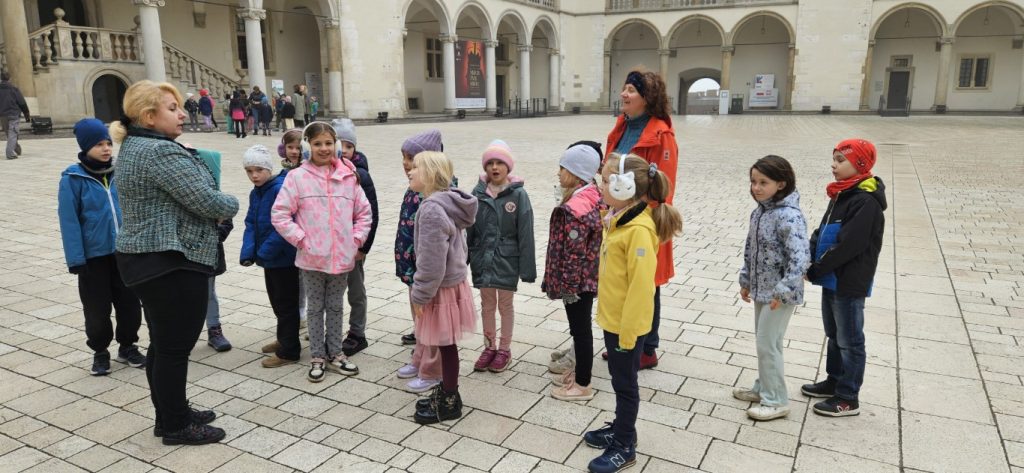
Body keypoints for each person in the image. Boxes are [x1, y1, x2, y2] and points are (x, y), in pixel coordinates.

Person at [112, 80, 238, 445]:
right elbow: (208, 201)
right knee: (173, 348)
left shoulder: (138, 145)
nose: (183, 113)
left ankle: (169, 412)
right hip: (170, 260)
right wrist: (231, 202)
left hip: (148, 260)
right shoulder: (160, 153)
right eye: (173, 108)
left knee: (163, 344)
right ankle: (175, 425)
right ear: (149, 117)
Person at [582, 153, 681, 473]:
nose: (601, 185)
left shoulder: (638, 230)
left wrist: (627, 332)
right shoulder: (619, 218)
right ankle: (621, 427)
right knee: (618, 380)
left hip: (627, 326)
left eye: (607, 180)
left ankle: (625, 444)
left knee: (625, 385)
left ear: (625, 186)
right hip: (614, 319)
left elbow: (642, 289)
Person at [271, 122, 372, 382]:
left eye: (328, 143)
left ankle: (336, 352)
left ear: (336, 146)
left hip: (341, 258)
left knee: (336, 306)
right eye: (317, 144)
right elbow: (280, 214)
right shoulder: (297, 178)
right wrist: (302, 240)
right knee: (315, 308)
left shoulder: (349, 177)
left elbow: (364, 213)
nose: (323, 148)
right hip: (312, 258)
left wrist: (355, 240)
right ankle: (317, 354)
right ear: (308, 147)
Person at [601, 69, 679, 370]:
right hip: (616, 214)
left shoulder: (662, 133)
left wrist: (637, 216)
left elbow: (663, 185)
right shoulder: (621, 126)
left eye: (631, 90)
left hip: (641, 219)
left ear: (647, 98)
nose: (624, 94)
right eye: (624, 88)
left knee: (646, 282)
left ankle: (647, 346)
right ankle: (625, 338)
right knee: (620, 279)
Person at [803, 139, 887, 417]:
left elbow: (850, 244)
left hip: (848, 280)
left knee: (850, 338)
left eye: (841, 160)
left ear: (860, 163)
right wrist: (810, 255)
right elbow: (824, 228)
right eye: (834, 159)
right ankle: (834, 380)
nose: (834, 165)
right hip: (831, 276)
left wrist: (818, 268)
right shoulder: (843, 193)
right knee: (834, 333)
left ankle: (848, 396)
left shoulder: (865, 201)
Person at [58, 118, 144, 376]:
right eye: (99, 144)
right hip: (93, 258)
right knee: (97, 309)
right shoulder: (73, 178)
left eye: (108, 143)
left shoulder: (120, 172)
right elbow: (69, 221)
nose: (106, 148)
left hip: (125, 252)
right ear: (85, 147)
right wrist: (76, 259)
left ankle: (128, 345)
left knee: (129, 303)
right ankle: (100, 351)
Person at [733, 155, 810, 421]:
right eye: (753, 181)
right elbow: (750, 249)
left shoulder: (789, 216)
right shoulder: (760, 212)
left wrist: (782, 291)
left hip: (780, 294)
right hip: (761, 289)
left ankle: (776, 400)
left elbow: (799, 258)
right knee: (766, 342)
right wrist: (746, 280)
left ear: (781, 183)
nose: (756, 187)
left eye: (763, 182)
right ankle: (765, 386)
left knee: (768, 344)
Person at [406, 151, 478, 424]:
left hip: (440, 288)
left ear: (431, 175)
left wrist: (420, 295)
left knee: (446, 345)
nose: (410, 172)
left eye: (416, 168)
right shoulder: (445, 203)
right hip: (451, 284)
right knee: (446, 344)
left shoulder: (432, 209)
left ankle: (449, 399)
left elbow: (431, 259)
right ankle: (448, 389)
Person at [468, 139, 536, 373]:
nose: (494, 167)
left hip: (508, 258)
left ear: (509, 167)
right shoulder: (477, 193)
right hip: (483, 259)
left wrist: (527, 269)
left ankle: (504, 349)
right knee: (487, 304)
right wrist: (464, 258)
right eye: (490, 163)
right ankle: (489, 346)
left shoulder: (518, 195)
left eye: (500, 163)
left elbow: (525, 232)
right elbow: (469, 228)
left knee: (505, 305)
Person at [545, 143, 603, 401]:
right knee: (580, 329)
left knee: (580, 331)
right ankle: (580, 373)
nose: (558, 173)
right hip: (586, 278)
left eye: (563, 168)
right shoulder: (591, 196)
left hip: (577, 283)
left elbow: (574, 251)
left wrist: (568, 287)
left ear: (576, 173)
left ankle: (582, 384)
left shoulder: (575, 208)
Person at [239, 144, 301, 368]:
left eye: (259, 170)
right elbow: (250, 223)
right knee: (277, 302)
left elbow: (283, 227)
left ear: (268, 169)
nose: (254, 175)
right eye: (249, 171)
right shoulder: (257, 192)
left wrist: (263, 252)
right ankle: (285, 338)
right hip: (269, 260)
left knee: (286, 304)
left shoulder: (278, 188)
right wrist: (248, 252)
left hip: (283, 259)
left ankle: (290, 351)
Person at [394, 130, 445, 393]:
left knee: (432, 321)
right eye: (403, 157)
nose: (406, 163)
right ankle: (419, 357)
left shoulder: (438, 194)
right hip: (411, 267)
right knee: (419, 319)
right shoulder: (414, 188)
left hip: (427, 272)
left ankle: (433, 369)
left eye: (411, 157)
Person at [333, 119, 379, 358]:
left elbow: (372, 213)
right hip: (331, 246)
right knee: (332, 291)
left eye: (348, 146)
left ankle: (357, 332)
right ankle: (332, 330)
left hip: (354, 245)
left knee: (355, 291)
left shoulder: (361, 175)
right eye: (338, 145)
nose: (343, 151)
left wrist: (364, 247)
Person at [0, 71, 30, 160]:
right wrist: (27, 114)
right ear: (9, 79)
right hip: (13, 113)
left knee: (10, 133)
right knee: (12, 133)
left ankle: (16, 148)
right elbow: (22, 102)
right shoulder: (14, 89)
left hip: (3, 115)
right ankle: (10, 153)